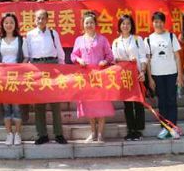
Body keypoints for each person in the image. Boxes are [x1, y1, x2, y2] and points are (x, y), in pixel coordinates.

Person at [26, 10, 68, 145]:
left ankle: (58, 134)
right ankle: (42, 134)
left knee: (55, 102)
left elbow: (60, 52)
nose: (40, 20)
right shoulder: (30, 35)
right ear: (34, 20)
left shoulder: (53, 33)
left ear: (47, 19)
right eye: (38, 18)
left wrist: (61, 68)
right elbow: (28, 54)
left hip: (52, 66)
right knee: (39, 104)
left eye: (43, 18)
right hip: (37, 68)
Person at [71, 12, 114, 143]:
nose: (89, 25)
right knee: (89, 106)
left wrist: (104, 61)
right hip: (86, 78)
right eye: (87, 22)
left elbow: (110, 56)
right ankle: (93, 132)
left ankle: (100, 133)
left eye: (91, 22)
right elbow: (73, 55)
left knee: (101, 105)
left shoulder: (102, 39)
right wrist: (79, 60)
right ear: (83, 25)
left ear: (95, 24)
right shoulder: (79, 40)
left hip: (100, 78)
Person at [0, 14, 30, 145]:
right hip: (2, 77)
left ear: (15, 25)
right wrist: (0, 66)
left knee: (17, 107)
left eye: (11, 22)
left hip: (17, 78)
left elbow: (26, 57)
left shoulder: (21, 40)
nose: (9, 25)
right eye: (6, 22)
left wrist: (19, 68)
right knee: (6, 107)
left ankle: (17, 134)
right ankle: (9, 134)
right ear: (2, 24)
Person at [145, 12, 184, 140]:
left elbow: (177, 57)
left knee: (172, 100)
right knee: (162, 101)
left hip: (171, 73)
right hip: (157, 75)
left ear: (164, 22)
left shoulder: (171, 36)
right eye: (156, 21)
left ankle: (173, 127)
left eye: (160, 21)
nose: (158, 24)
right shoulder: (148, 39)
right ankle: (165, 127)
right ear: (152, 23)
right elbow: (148, 60)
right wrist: (150, 78)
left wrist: (179, 75)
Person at [112, 15, 146, 141]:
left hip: (137, 75)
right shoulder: (116, 42)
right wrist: (122, 60)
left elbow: (143, 57)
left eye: (128, 23)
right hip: (124, 76)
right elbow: (114, 60)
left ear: (132, 26)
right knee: (127, 105)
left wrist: (143, 71)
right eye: (123, 23)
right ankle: (130, 129)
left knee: (138, 103)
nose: (125, 26)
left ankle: (138, 130)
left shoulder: (137, 39)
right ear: (119, 26)